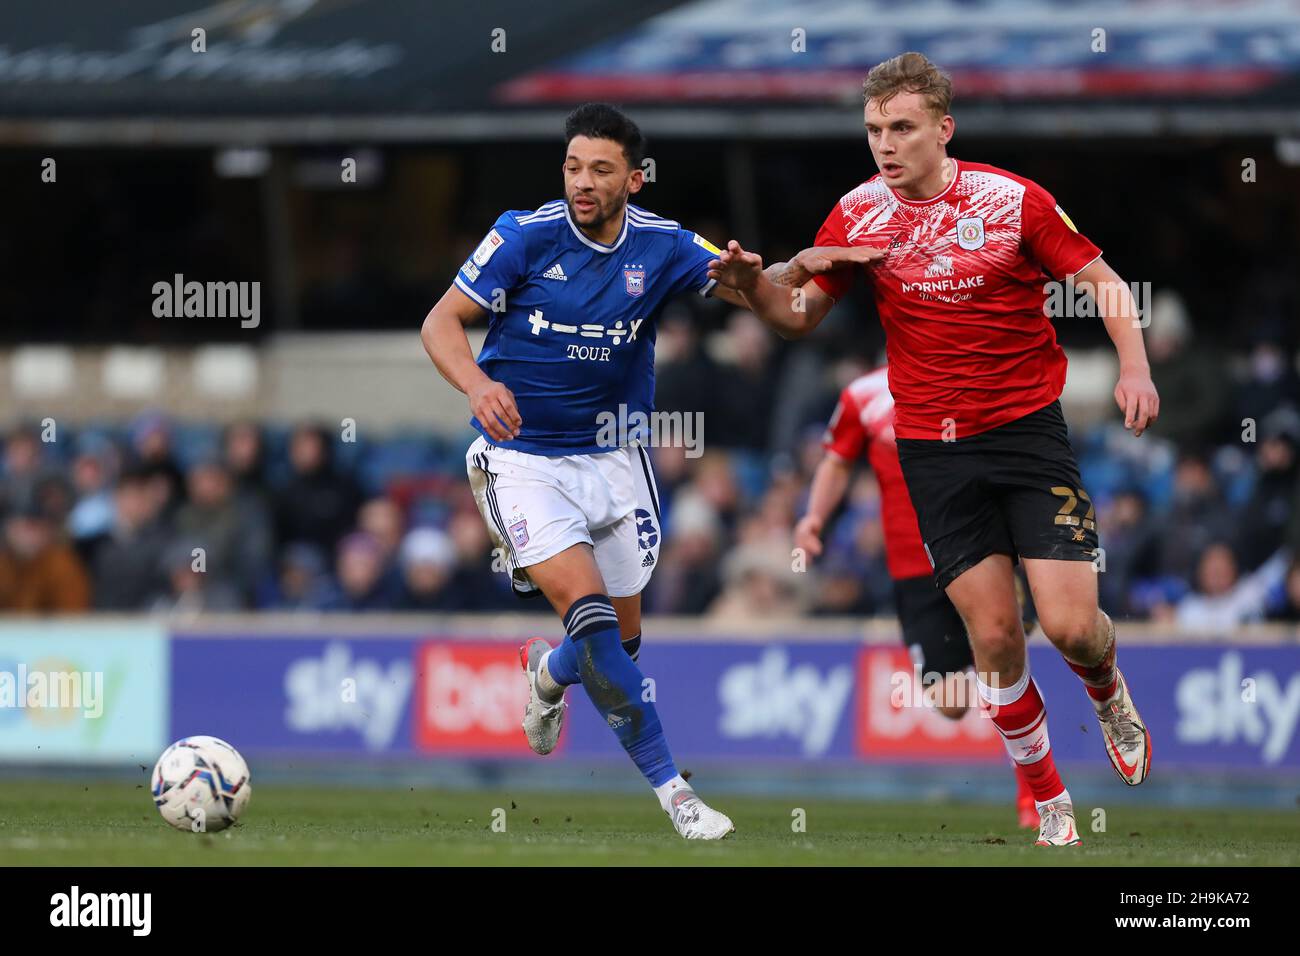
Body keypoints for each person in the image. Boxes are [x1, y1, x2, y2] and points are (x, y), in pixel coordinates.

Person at [709, 52, 1160, 846]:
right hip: (933, 452)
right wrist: (750, 285)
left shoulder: (1011, 199)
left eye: (902, 128)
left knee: (1071, 628)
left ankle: (1106, 688)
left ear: (942, 129)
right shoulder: (854, 213)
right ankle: (1049, 802)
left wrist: (1134, 364)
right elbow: (798, 316)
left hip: (1027, 438)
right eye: (875, 129)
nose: (885, 144)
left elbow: (1106, 284)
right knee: (992, 637)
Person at [420, 103, 764, 839]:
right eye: (573, 166)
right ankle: (679, 796)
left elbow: (753, 288)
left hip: (615, 458)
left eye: (601, 169)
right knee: (598, 625)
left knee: (621, 644)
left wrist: (767, 274)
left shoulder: (664, 245)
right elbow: (439, 322)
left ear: (633, 179)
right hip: (522, 461)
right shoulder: (525, 234)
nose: (583, 181)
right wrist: (478, 386)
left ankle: (548, 674)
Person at [797, 366, 1040, 828]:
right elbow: (837, 459)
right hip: (913, 567)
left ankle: (1035, 793)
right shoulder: (862, 396)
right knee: (951, 703)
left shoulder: (967, 378)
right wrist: (813, 519)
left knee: (1004, 663)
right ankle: (1002, 685)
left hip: (979, 554)